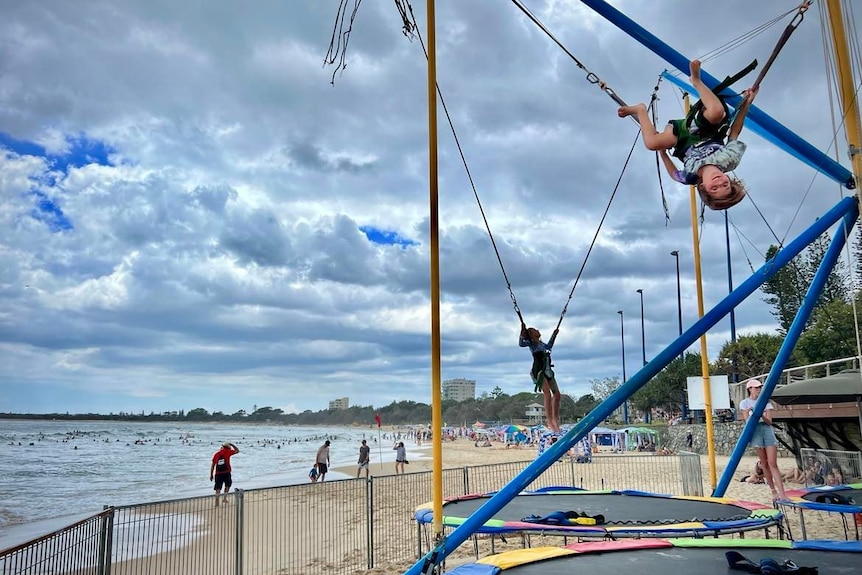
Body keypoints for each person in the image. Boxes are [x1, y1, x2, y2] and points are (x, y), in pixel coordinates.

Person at [618, 60, 759, 211]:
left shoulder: (690, 176)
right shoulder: (730, 160)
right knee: (718, 112)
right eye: (725, 184)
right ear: (729, 180)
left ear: (704, 187)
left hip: (680, 138)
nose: (719, 182)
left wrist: (663, 153)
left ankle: (640, 110)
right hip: (703, 129)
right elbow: (735, 132)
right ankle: (695, 81)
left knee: (652, 144)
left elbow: (674, 174)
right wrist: (746, 105)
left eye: (715, 189)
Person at [739, 379, 787, 500]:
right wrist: (752, 413)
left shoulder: (765, 403)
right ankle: (773, 490)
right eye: (756, 388)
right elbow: (747, 421)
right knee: (764, 463)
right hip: (755, 431)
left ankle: (783, 494)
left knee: (772, 463)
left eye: (759, 388)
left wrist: (760, 414)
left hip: (766, 430)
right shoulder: (744, 403)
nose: (758, 390)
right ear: (749, 389)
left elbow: (769, 422)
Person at [519, 322, 561, 432]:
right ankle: (549, 420)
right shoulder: (532, 344)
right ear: (532, 334)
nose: (537, 330)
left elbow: (549, 346)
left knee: (557, 395)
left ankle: (555, 418)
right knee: (547, 394)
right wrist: (522, 330)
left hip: (548, 370)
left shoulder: (542, 344)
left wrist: (554, 335)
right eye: (534, 330)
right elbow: (521, 343)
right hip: (539, 371)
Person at [209, 441, 240, 506]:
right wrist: (232, 444)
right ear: (228, 447)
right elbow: (237, 450)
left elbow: (213, 465)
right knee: (227, 485)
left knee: (218, 488)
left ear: (222, 447)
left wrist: (211, 474)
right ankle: (224, 498)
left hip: (218, 474)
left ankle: (216, 502)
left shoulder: (216, 454)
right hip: (227, 472)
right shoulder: (228, 451)